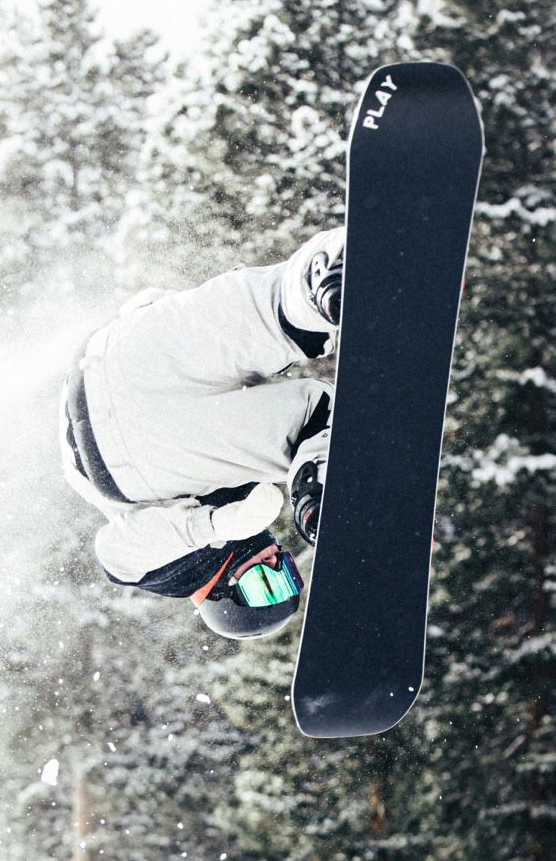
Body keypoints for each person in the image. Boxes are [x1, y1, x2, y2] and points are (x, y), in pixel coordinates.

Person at [58, 229, 343, 639]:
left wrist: (215, 525)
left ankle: (326, 475)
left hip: (138, 458)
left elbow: (116, 557)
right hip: (119, 353)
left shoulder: (176, 573)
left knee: (300, 405)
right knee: (278, 338)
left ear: (221, 593)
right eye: (288, 577)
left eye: (263, 585)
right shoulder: (239, 477)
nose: (276, 563)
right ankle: (323, 280)